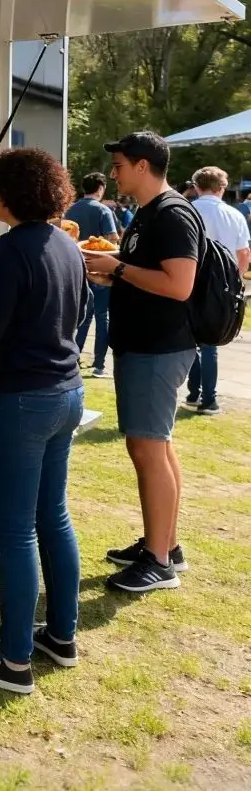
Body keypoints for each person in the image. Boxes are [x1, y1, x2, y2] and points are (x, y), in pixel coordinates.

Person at [0, 148, 87, 695]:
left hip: (21, 402)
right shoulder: (66, 244)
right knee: (54, 517)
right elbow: (72, 315)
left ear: (8, 195)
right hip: (66, 392)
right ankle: (62, 636)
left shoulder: (7, 249)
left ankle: (14, 660)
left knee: (15, 530)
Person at [85, 132, 202, 593]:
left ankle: (159, 563)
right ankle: (165, 544)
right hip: (146, 345)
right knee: (156, 447)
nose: (113, 173)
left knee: (149, 450)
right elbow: (148, 273)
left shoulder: (171, 213)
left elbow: (179, 285)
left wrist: (116, 268)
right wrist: (112, 272)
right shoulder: (150, 212)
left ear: (141, 166)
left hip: (158, 348)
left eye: (118, 165)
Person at [185, 166, 251, 415]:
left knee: (190, 339)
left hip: (190, 279)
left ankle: (194, 391)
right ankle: (208, 398)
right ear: (222, 188)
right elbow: (244, 254)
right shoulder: (234, 215)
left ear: (196, 186)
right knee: (210, 342)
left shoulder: (187, 210)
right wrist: (236, 279)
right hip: (222, 284)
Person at [64, 173, 118, 378]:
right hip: (100, 270)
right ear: (101, 188)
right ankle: (99, 364)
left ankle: (74, 358)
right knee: (102, 318)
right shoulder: (103, 210)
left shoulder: (71, 209)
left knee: (82, 318)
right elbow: (112, 240)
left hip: (76, 269)